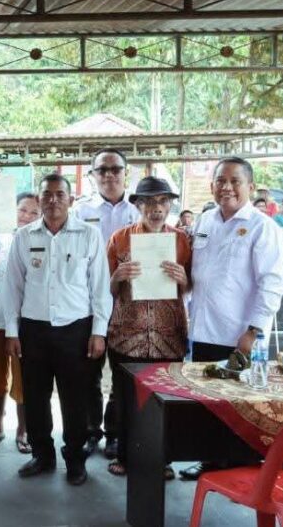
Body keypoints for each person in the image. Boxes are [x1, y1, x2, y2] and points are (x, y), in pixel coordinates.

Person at [179, 157, 283, 480]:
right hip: (203, 328)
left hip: (240, 333)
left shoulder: (262, 226)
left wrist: (253, 332)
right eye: (220, 180)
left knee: (241, 404)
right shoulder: (204, 221)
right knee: (209, 401)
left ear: (250, 187)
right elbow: (196, 274)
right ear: (211, 186)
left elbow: (271, 282)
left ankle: (242, 472)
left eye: (235, 181)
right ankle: (211, 462)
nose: (226, 187)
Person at [5, 173, 111, 487]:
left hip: (76, 330)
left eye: (59, 194)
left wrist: (99, 331)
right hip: (33, 330)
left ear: (70, 199)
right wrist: (12, 331)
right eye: (46, 195)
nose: (53, 200)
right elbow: (13, 288)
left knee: (74, 399)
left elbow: (101, 288)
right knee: (35, 397)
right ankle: (42, 455)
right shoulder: (24, 237)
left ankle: (75, 459)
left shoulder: (89, 235)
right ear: (38, 200)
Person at [104, 177, 192, 479]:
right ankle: (126, 456)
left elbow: (191, 285)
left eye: (163, 202)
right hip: (128, 335)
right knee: (127, 399)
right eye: (150, 202)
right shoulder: (120, 238)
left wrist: (183, 278)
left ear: (170, 205)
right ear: (138, 205)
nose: (157, 208)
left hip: (168, 336)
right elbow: (108, 289)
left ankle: (163, 459)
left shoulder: (181, 240)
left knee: (164, 399)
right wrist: (118, 276)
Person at [72, 148, 138, 460]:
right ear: (93, 176)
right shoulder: (80, 212)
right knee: (88, 373)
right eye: (102, 170)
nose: (109, 175)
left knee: (121, 374)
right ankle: (89, 432)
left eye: (115, 169)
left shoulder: (139, 211)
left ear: (126, 173)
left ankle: (114, 433)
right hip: (88, 305)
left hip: (129, 306)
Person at [0, 192, 40, 455]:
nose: (26, 216)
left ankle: (23, 429)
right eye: (22, 210)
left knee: (25, 376)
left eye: (32, 212)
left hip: (26, 320)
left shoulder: (40, 240)